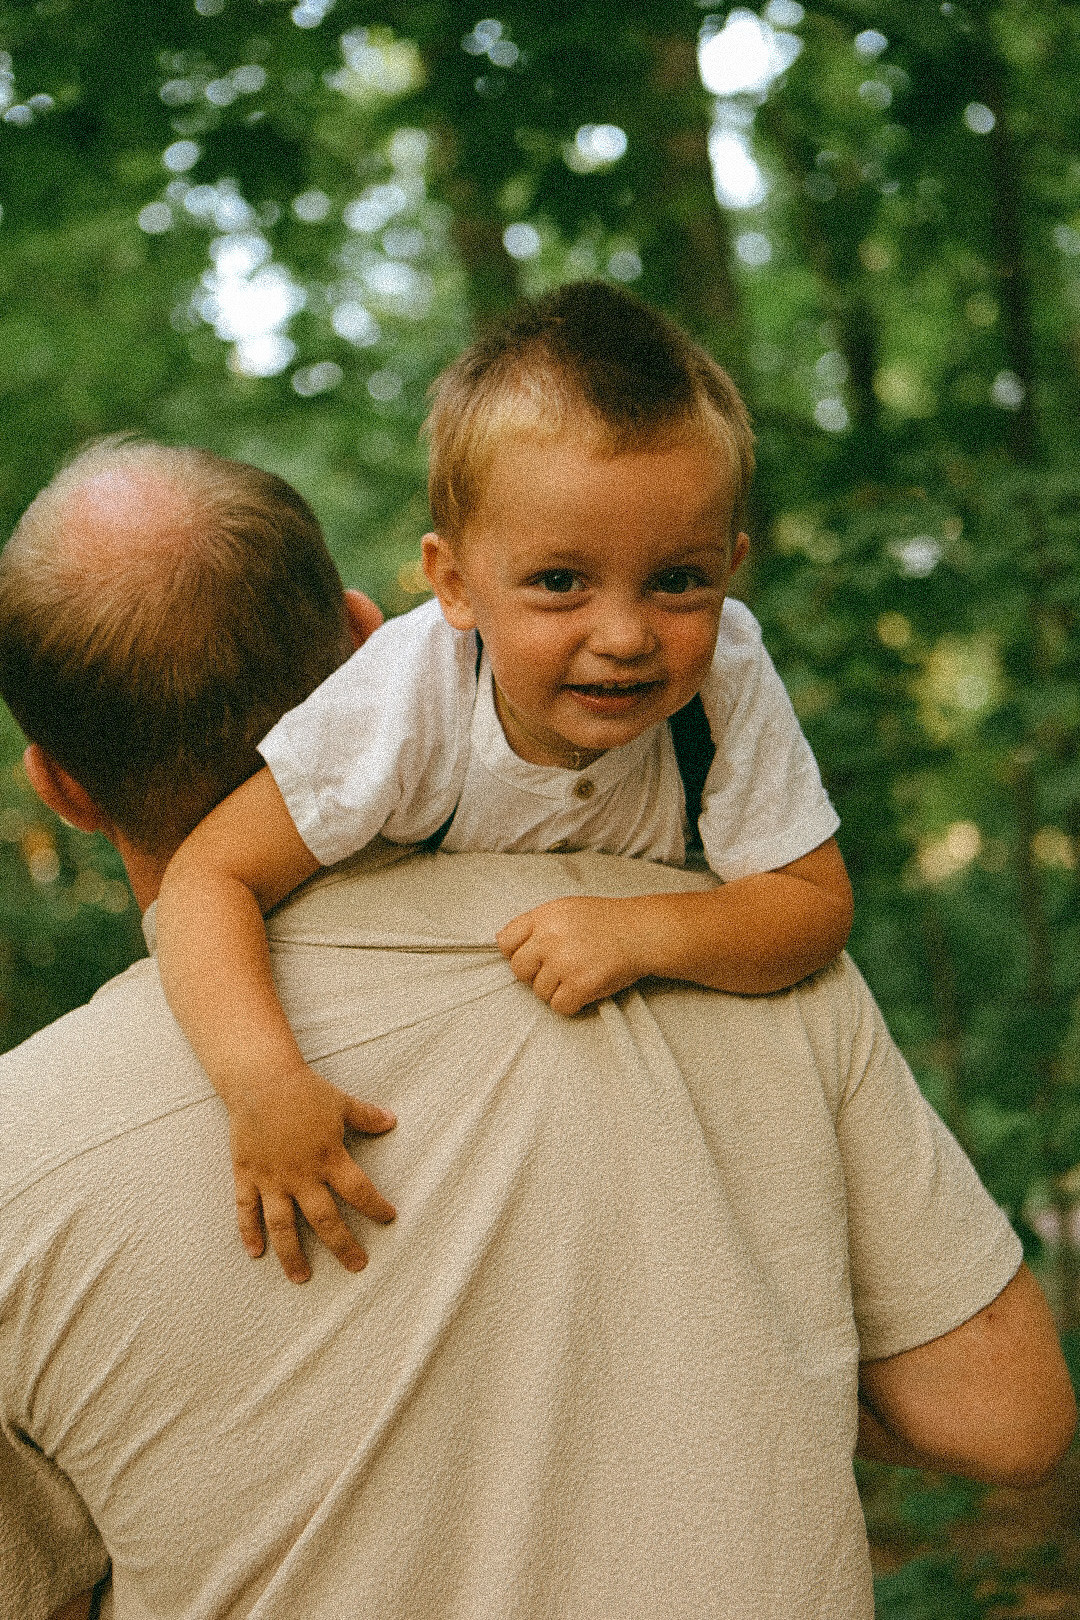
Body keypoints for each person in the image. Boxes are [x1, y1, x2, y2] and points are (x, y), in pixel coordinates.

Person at [0, 440, 1073, 1620]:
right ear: (376, 637)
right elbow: (1006, 1414)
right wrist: (737, 1370)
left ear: (61, 787)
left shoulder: (19, 1158)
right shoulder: (735, 948)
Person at [153, 281, 855, 1280]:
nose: (623, 636)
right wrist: (263, 1079)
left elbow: (814, 905)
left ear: (731, 568)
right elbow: (206, 879)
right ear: (454, 583)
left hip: (632, 1134)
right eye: (560, 581)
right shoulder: (409, 700)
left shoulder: (726, 680)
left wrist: (642, 931)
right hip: (431, 1104)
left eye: (679, 580)